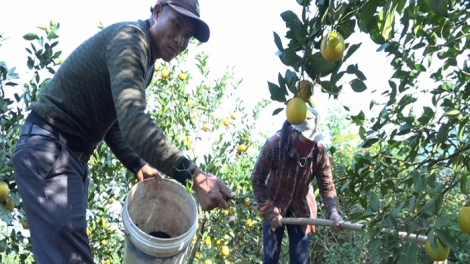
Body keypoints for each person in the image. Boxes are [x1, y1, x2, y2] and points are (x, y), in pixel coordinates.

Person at [12, 0, 234, 263]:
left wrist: (137, 163)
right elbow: (133, 121)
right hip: (50, 151)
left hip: (67, 159)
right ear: (158, 11)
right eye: (177, 25)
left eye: (187, 36)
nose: (180, 40)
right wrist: (195, 175)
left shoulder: (146, 63)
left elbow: (115, 125)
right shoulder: (130, 40)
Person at [251, 106, 343, 264]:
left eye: (313, 141)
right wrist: (268, 210)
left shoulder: (318, 151)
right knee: (270, 258)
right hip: (273, 204)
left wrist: (333, 212)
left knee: (300, 261)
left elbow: (326, 185)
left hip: (301, 206)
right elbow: (257, 179)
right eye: (307, 141)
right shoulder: (274, 145)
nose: (310, 146)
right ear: (294, 132)